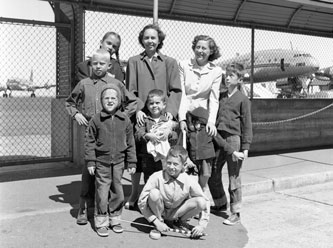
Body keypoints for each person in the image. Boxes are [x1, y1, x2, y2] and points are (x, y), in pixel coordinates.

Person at [65, 49, 138, 225]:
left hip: (111, 133)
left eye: (102, 64)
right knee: (89, 171)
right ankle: (84, 208)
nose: (98, 66)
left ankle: (110, 211)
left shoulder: (116, 83)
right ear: (91, 64)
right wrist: (76, 114)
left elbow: (133, 102)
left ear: (109, 65)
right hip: (91, 132)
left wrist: (122, 117)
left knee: (111, 175)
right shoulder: (84, 83)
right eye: (95, 63)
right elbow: (69, 102)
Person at [125, 24, 182, 209]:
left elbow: (175, 90)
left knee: (163, 157)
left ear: (159, 40)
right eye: (146, 37)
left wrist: (170, 115)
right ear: (142, 39)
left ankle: (162, 196)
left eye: (153, 38)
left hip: (163, 118)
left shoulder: (170, 62)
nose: (150, 41)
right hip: (141, 117)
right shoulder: (134, 61)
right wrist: (139, 109)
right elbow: (130, 90)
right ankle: (134, 193)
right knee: (139, 157)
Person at [85, 84, 137, 237]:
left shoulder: (125, 119)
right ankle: (101, 221)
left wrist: (132, 162)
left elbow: (131, 141)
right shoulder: (96, 119)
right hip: (102, 163)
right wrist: (91, 161)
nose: (110, 101)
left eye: (113, 98)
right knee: (102, 192)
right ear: (101, 100)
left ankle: (115, 219)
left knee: (118, 192)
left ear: (119, 100)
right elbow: (89, 142)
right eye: (106, 98)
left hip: (119, 162)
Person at [208, 62, 253, 225]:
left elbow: (247, 124)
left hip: (234, 139)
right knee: (213, 172)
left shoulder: (243, 100)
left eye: (231, 75)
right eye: (226, 75)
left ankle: (236, 212)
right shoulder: (220, 96)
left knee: (234, 177)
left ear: (239, 79)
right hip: (218, 138)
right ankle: (220, 204)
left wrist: (245, 147)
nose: (227, 77)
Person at [178, 35, 222, 198]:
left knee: (204, 162)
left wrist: (211, 121)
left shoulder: (216, 71)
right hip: (186, 114)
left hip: (203, 118)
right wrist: (182, 118)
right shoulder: (183, 65)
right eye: (198, 47)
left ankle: (200, 192)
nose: (200, 51)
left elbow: (214, 99)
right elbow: (182, 93)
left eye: (204, 48)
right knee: (185, 157)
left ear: (211, 51)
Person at [138, 145, 210, 239]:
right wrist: (155, 221)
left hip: (177, 212)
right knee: (154, 194)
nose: (171, 167)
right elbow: (141, 202)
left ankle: (179, 222)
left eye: (175, 164)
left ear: (184, 165)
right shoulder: (156, 177)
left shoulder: (189, 180)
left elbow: (206, 201)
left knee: (201, 202)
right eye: (169, 163)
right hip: (159, 212)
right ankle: (159, 224)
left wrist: (201, 225)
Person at [134, 89, 178, 184]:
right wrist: (147, 135)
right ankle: (151, 197)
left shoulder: (167, 120)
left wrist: (169, 133)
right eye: (151, 103)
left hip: (164, 157)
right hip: (148, 157)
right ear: (147, 105)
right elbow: (137, 135)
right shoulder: (144, 120)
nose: (154, 106)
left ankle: (163, 197)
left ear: (164, 105)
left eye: (157, 103)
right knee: (150, 180)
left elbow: (175, 137)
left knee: (165, 179)